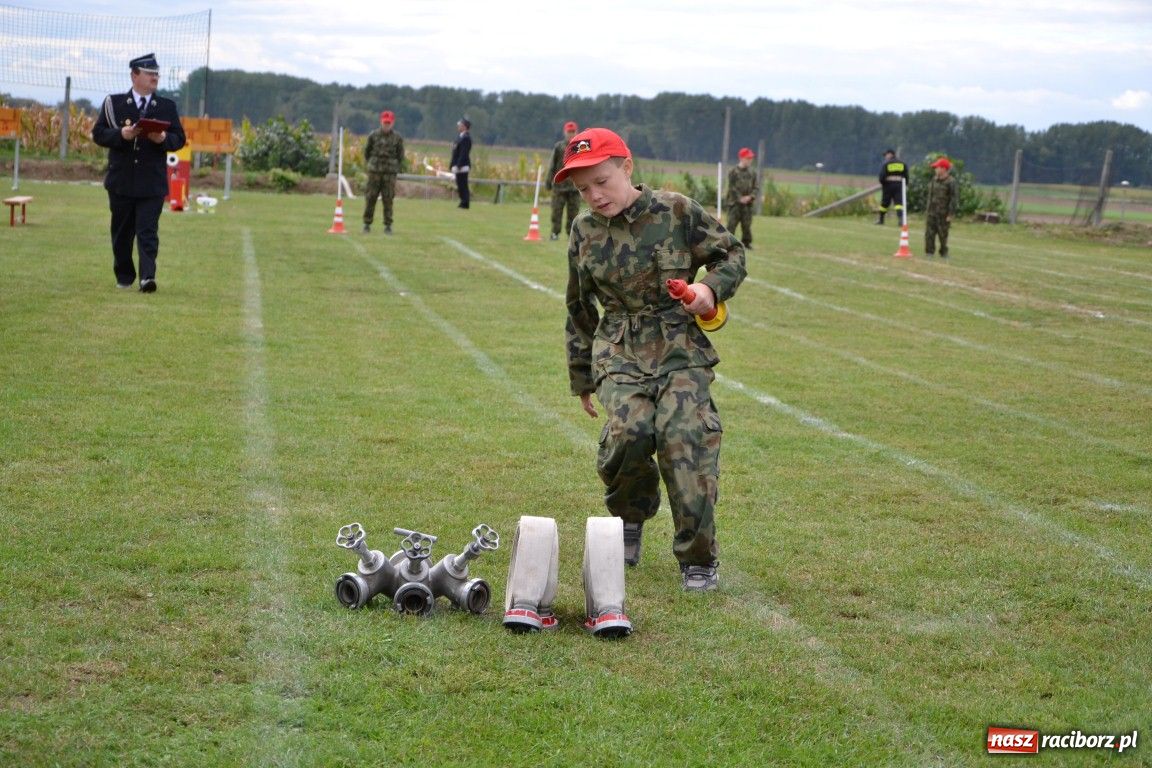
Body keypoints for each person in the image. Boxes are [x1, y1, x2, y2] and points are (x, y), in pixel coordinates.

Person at [556, 127, 746, 593]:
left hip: (680, 345)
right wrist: (582, 377)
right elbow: (579, 306)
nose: (594, 196)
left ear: (626, 167)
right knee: (629, 432)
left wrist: (706, 289)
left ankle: (697, 558)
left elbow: (731, 254)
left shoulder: (676, 210)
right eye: (583, 189)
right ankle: (630, 517)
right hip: (619, 346)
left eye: (601, 181)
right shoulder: (582, 231)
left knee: (685, 437)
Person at [90, 53, 185, 293]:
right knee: (122, 233)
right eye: (149, 73)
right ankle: (124, 275)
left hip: (151, 183)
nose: (155, 77)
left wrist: (162, 138)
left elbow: (179, 139)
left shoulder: (166, 106)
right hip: (121, 181)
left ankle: (147, 278)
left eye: (156, 73)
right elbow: (98, 133)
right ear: (134, 75)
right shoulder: (114, 103)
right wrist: (120, 135)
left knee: (147, 232)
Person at [361, 110, 405, 234]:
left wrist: (394, 166)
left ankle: (388, 225)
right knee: (371, 197)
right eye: (385, 123)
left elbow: (400, 155)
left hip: (389, 173)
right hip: (374, 172)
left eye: (389, 123)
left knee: (388, 198)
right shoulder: (373, 135)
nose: (386, 125)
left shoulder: (397, 138)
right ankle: (367, 224)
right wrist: (372, 164)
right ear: (381, 122)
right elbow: (367, 152)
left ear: (393, 123)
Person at [546, 120, 581, 240]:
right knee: (556, 212)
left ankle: (571, 236)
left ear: (577, 132)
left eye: (573, 132)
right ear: (564, 132)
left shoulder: (580, 147)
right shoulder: (559, 147)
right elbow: (552, 165)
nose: (571, 134)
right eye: (569, 132)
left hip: (575, 187)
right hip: (559, 187)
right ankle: (555, 233)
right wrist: (548, 181)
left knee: (573, 214)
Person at [924, 156, 959, 257]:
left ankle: (944, 252)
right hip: (931, 212)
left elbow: (954, 198)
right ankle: (929, 252)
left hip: (943, 213)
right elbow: (930, 196)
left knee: (943, 234)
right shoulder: (934, 180)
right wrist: (928, 209)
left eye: (937, 167)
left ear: (943, 169)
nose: (935, 169)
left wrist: (951, 213)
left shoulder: (951, 182)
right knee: (929, 234)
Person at [725, 147, 759, 249]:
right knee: (731, 224)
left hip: (747, 204)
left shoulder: (752, 173)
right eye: (748, 158)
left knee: (747, 225)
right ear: (741, 158)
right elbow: (732, 187)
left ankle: (746, 243)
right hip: (734, 203)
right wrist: (740, 198)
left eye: (751, 158)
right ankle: (728, 243)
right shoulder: (733, 172)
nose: (750, 160)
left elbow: (756, 187)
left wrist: (750, 197)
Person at [876, 148, 908, 225]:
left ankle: (881, 220)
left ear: (890, 154)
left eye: (886, 155)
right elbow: (906, 176)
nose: (885, 157)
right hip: (899, 185)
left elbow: (882, 177)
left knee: (884, 203)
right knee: (899, 203)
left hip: (888, 185)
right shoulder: (902, 164)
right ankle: (901, 220)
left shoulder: (887, 164)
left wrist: (884, 184)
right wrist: (904, 185)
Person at [450, 118, 472, 209]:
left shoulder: (466, 138)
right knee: (459, 184)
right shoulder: (460, 137)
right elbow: (455, 152)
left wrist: (459, 165)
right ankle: (462, 201)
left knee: (463, 184)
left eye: (460, 125)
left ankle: (465, 202)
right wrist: (452, 164)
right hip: (457, 165)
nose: (458, 127)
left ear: (465, 127)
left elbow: (464, 153)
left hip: (462, 165)